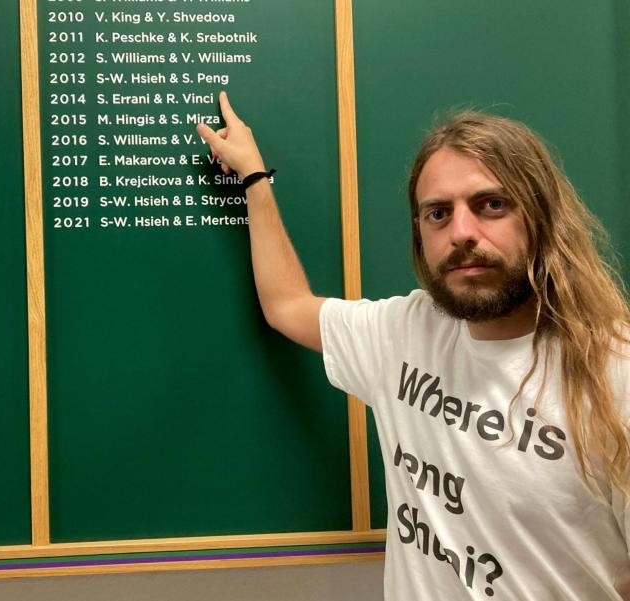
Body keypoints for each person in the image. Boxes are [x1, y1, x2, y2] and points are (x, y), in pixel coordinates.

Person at [196, 92, 630, 600]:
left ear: (542, 216)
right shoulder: (407, 332)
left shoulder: (615, 375)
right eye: (438, 214)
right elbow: (287, 305)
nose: (462, 232)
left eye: (491, 205)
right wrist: (254, 179)